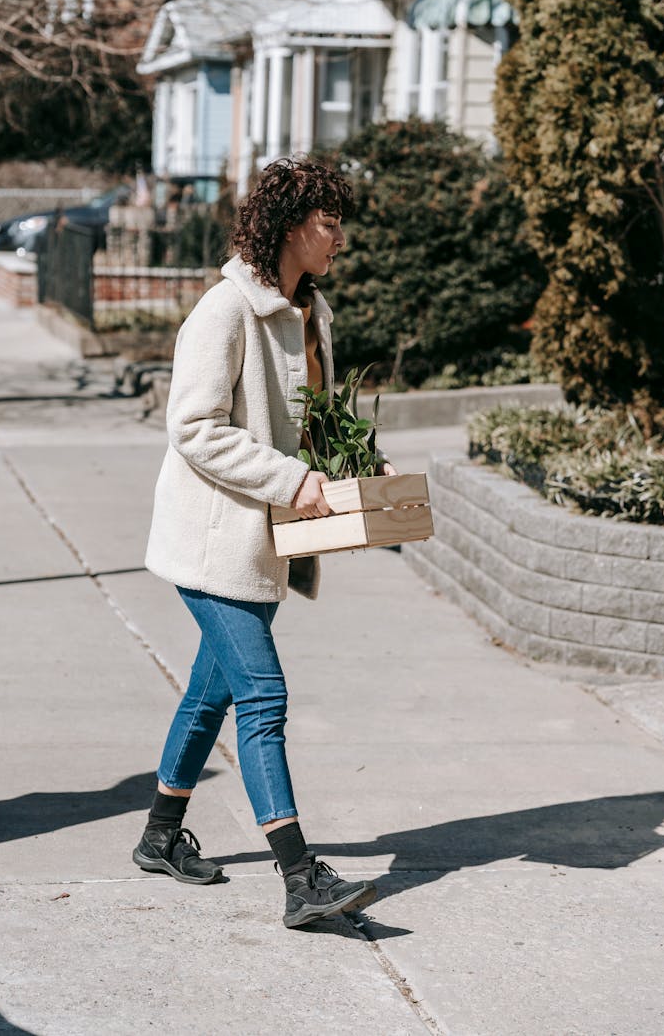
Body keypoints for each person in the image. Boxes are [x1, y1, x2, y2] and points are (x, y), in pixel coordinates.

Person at [134, 158, 391, 929]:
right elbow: (195, 428)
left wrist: (350, 473)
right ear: (289, 227)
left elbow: (309, 423)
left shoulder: (315, 313)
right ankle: (300, 875)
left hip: (267, 539)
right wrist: (291, 480)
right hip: (214, 541)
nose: (339, 235)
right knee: (263, 696)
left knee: (210, 693)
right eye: (328, 222)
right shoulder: (224, 312)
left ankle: (157, 833)